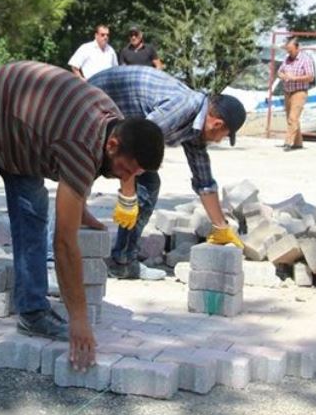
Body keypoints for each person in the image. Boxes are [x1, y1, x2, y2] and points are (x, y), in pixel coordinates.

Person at [0, 61, 164, 371]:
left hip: (19, 137)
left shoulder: (112, 127)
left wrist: (80, 209)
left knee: (33, 221)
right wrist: (79, 320)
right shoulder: (81, 143)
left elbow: (80, 172)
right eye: (125, 170)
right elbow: (64, 243)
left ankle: (32, 311)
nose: (123, 178)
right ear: (112, 145)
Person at [88, 66, 247, 279]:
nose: (219, 141)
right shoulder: (184, 107)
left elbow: (204, 181)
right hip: (93, 108)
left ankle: (122, 260)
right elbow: (136, 142)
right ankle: (56, 258)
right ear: (217, 124)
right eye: (224, 135)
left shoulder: (197, 130)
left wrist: (221, 227)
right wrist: (127, 196)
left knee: (147, 181)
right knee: (82, 175)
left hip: (122, 124)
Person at [277, 37, 315, 151]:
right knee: (291, 118)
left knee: (293, 118)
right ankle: (298, 143)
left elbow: (310, 77)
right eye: (288, 50)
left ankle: (288, 142)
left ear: (297, 48)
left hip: (299, 92)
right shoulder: (286, 59)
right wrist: (282, 75)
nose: (289, 52)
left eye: (291, 50)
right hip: (287, 91)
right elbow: (280, 71)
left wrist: (294, 78)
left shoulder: (306, 59)